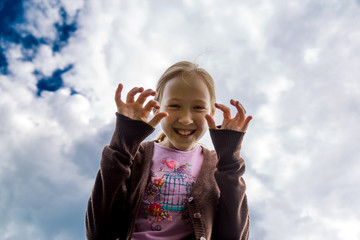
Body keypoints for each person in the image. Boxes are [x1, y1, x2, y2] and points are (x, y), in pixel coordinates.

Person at [85, 61, 252, 240]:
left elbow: (235, 236)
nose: (186, 119)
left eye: (198, 107)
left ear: (211, 111)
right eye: (174, 106)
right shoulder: (136, 155)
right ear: (157, 106)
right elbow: (99, 232)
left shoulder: (217, 166)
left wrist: (228, 159)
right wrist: (123, 143)